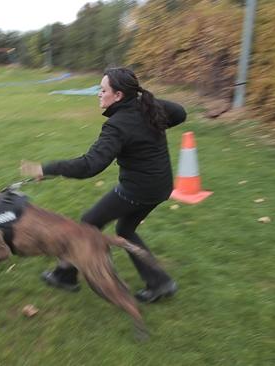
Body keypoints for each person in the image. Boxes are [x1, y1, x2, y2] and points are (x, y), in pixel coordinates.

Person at [20, 67, 186, 303]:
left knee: (88, 223)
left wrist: (47, 169)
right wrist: (147, 116)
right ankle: (160, 283)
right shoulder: (147, 108)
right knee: (125, 230)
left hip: (138, 189)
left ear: (118, 95)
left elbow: (90, 166)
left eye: (103, 90)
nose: (99, 94)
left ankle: (65, 275)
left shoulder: (118, 125)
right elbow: (179, 113)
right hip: (160, 186)